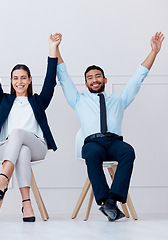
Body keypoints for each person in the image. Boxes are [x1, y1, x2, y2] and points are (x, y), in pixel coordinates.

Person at [57, 32, 164, 221]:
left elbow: (137, 78)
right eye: (90, 78)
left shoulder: (119, 100)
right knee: (90, 153)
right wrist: (55, 48)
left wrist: (154, 52)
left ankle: (111, 201)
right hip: (93, 143)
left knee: (128, 152)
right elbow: (63, 77)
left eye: (98, 76)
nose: (94, 80)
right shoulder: (78, 100)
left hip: (114, 142)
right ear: (86, 83)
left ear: (105, 80)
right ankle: (104, 199)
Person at [0, 32, 61, 222]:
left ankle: (4, 177)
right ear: (11, 81)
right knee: (22, 151)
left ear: (29, 80)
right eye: (15, 78)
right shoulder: (4, 100)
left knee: (19, 134)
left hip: (38, 147)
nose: (19, 82)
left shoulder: (38, 101)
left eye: (23, 78)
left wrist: (53, 48)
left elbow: (51, 80)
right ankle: (27, 204)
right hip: (7, 148)